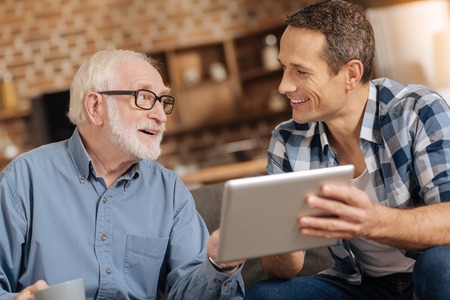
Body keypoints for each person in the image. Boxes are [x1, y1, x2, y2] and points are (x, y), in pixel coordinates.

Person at [244, 0, 450, 299]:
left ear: (351, 74)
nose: (283, 85)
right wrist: (272, 231)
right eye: (284, 68)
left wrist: (372, 221)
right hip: (360, 285)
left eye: (300, 71)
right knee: (264, 294)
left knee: (441, 264)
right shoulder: (287, 140)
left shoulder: (418, 110)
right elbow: (283, 270)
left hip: (426, 273)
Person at [0, 49, 245, 300]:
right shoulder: (23, 179)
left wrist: (219, 265)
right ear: (95, 107)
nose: (161, 116)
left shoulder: (169, 191)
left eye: (162, 101)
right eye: (145, 97)